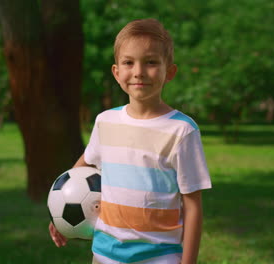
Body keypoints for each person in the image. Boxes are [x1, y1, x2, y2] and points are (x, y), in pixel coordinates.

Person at [49, 18, 212, 264]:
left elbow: (193, 207)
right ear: (116, 72)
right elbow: (81, 169)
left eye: (151, 62)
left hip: (160, 257)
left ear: (170, 72)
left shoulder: (182, 131)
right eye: (128, 62)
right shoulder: (106, 122)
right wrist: (60, 214)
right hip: (105, 255)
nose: (139, 72)